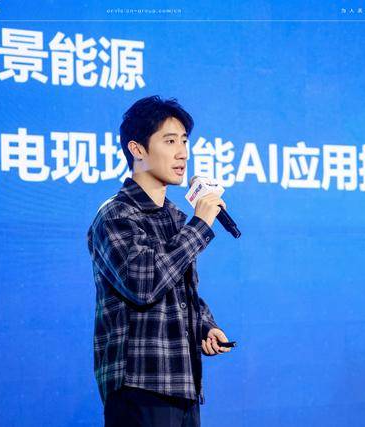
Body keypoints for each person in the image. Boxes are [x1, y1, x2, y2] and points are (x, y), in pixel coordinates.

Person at [86, 95, 232, 427]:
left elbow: (179, 291)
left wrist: (205, 326)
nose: (183, 153)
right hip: (140, 386)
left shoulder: (176, 217)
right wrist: (200, 225)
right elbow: (144, 284)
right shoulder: (116, 214)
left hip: (183, 384)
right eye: (170, 141)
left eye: (184, 141)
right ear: (137, 149)